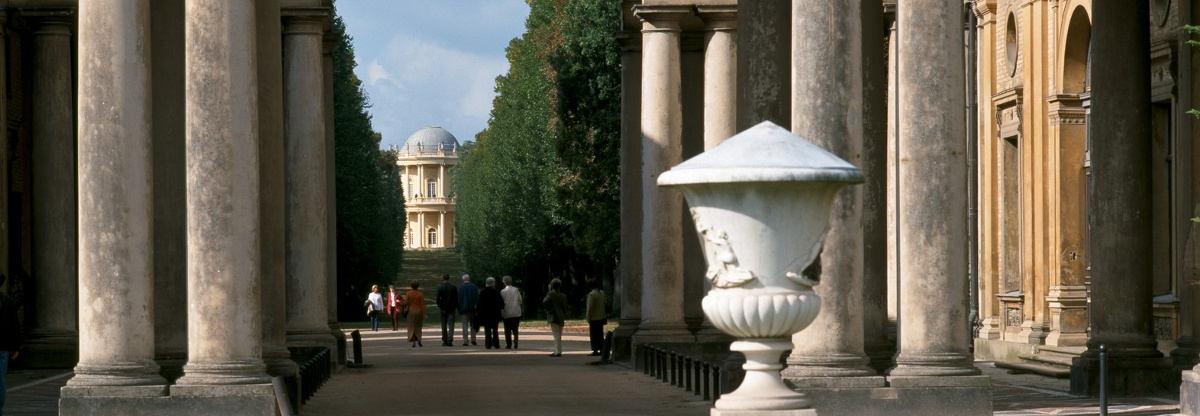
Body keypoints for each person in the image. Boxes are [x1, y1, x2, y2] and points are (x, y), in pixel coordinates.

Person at [1, 274, 23, 416]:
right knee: (0, 380)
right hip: (2, 347)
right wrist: (15, 347)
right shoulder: (8, 302)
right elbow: (15, 326)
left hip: (2, 348)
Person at [476, 277, 504, 350]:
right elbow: (501, 303)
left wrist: (478, 313)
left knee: (487, 329)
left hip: (486, 314)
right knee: (495, 329)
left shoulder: (483, 292)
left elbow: (479, 304)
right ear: (493, 283)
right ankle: (496, 344)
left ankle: (488, 344)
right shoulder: (496, 292)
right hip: (495, 314)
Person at [543, 278, 568, 357]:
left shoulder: (550, 294)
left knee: (556, 335)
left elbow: (545, 301)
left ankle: (557, 352)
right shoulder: (563, 295)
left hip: (554, 316)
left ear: (552, 286)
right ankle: (557, 350)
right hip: (561, 316)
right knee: (559, 334)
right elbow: (566, 307)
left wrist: (549, 309)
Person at [500, 275, 523, 349]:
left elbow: (501, 302)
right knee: (515, 328)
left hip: (506, 313)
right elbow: (520, 300)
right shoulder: (516, 290)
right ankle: (516, 340)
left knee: (507, 329)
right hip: (516, 312)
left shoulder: (503, 291)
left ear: (504, 282)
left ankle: (508, 344)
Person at [435, 274, 459, 346]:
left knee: (444, 323)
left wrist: (440, 306)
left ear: (443, 278)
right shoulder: (453, 287)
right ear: (449, 278)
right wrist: (455, 306)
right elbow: (456, 298)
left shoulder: (440, 287)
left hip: (443, 308)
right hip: (451, 307)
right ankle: (450, 339)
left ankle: (444, 339)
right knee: (451, 323)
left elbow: (437, 299)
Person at [402, 280, 427, 347]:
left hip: (411, 312)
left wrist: (401, 302)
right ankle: (419, 340)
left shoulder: (409, 293)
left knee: (411, 327)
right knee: (418, 326)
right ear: (418, 286)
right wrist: (425, 314)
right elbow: (423, 305)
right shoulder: (420, 294)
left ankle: (413, 341)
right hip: (419, 312)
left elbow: (406, 303)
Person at [585, 278, 607, 356]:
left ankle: (595, 350)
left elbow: (590, 307)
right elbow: (605, 302)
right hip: (601, 316)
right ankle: (601, 349)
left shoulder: (591, 294)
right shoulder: (602, 293)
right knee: (600, 334)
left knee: (594, 335)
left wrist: (588, 317)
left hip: (594, 317)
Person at [457, 274, 479, 346]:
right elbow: (476, 298)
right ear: (469, 279)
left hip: (463, 308)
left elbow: (458, 299)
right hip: (472, 308)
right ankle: (473, 339)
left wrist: (459, 308)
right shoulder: (474, 286)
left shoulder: (460, 288)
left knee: (465, 325)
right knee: (473, 325)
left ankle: (465, 340)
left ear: (463, 280)